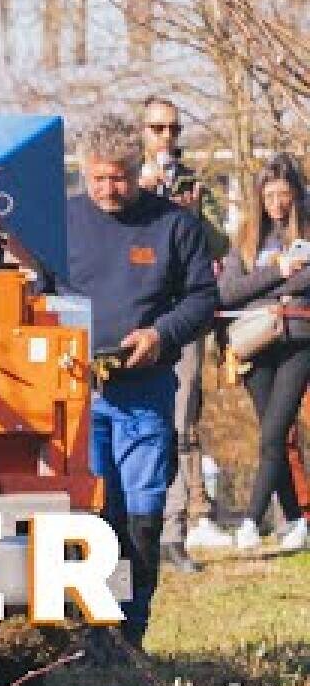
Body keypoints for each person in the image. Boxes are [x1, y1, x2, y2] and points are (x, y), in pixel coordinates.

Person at [52, 113, 218, 652]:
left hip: (144, 393)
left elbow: (202, 299)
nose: (109, 188)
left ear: (137, 168)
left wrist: (161, 334)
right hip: (79, 394)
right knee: (92, 515)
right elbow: (35, 292)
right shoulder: (61, 222)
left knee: (142, 514)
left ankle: (130, 631)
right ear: (83, 172)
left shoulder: (175, 225)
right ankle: (87, 633)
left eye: (119, 177)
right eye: (98, 178)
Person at [135, 97, 231, 571]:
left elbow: (222, 245)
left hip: (185, 316)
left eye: (174, 128)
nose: (167, 138)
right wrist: (145, 196)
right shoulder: (125, 183)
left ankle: (177, 530)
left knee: (182, 418)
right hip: (138, 319)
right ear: (142, 133)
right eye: (158, 129)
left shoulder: (193, 183)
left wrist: (191, 215)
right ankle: (134, 532)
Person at [217, 153, 310, 554]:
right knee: (274, 437)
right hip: (253, 342)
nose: (276, 202)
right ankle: (295, 520)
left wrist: (261, 286)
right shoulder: (246, 238)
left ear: (296, 195)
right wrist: (279, 273)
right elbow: (226, 292)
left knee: (275, 432)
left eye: (283, 194)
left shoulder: (306, 233)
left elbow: (306, 282)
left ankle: (251, 521)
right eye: (269, 194)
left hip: (298, 341)